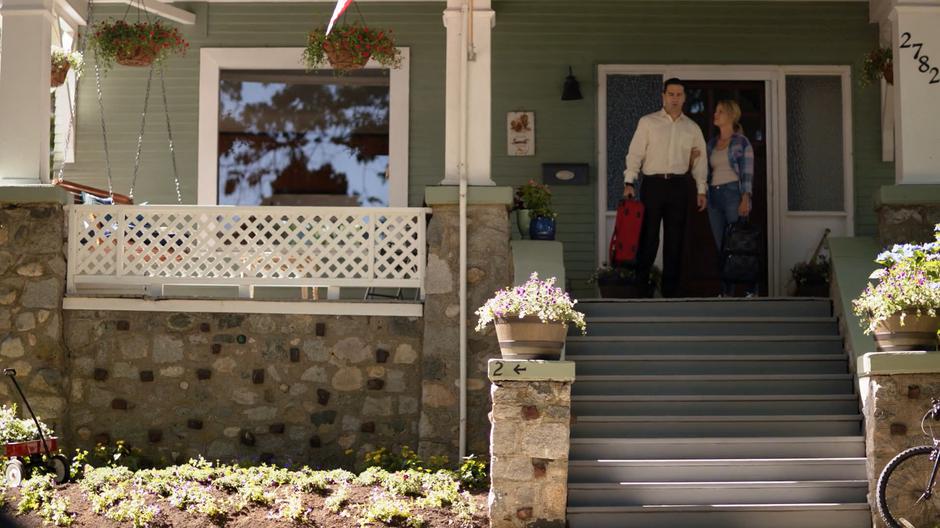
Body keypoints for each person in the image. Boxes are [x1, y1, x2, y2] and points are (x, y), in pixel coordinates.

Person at [623, 78, 707, 298]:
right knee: (648, 237)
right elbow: (635, 153)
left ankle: (671, 292)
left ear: (685, 98)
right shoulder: (648, 122)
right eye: (671, 94)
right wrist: (629, 182)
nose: (675, 99)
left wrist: (701, 190)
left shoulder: (692, 128)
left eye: (679, 94)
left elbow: (700, 162)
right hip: (653, 184)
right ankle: (641, 289)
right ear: (663, 96)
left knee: (675, 239)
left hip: (679, 185)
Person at [706, 99, 756, 297]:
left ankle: (750, 289)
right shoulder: (711, 143)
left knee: (739, 244)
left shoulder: (742, 142)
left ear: (730, 115)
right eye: (715, 111)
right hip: (714, 196)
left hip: (733, 194)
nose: (715, 115)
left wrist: (745, 198)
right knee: (722, 246)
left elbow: (747, 173)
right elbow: (705, 170)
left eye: (720, 112)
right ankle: (726, 291)